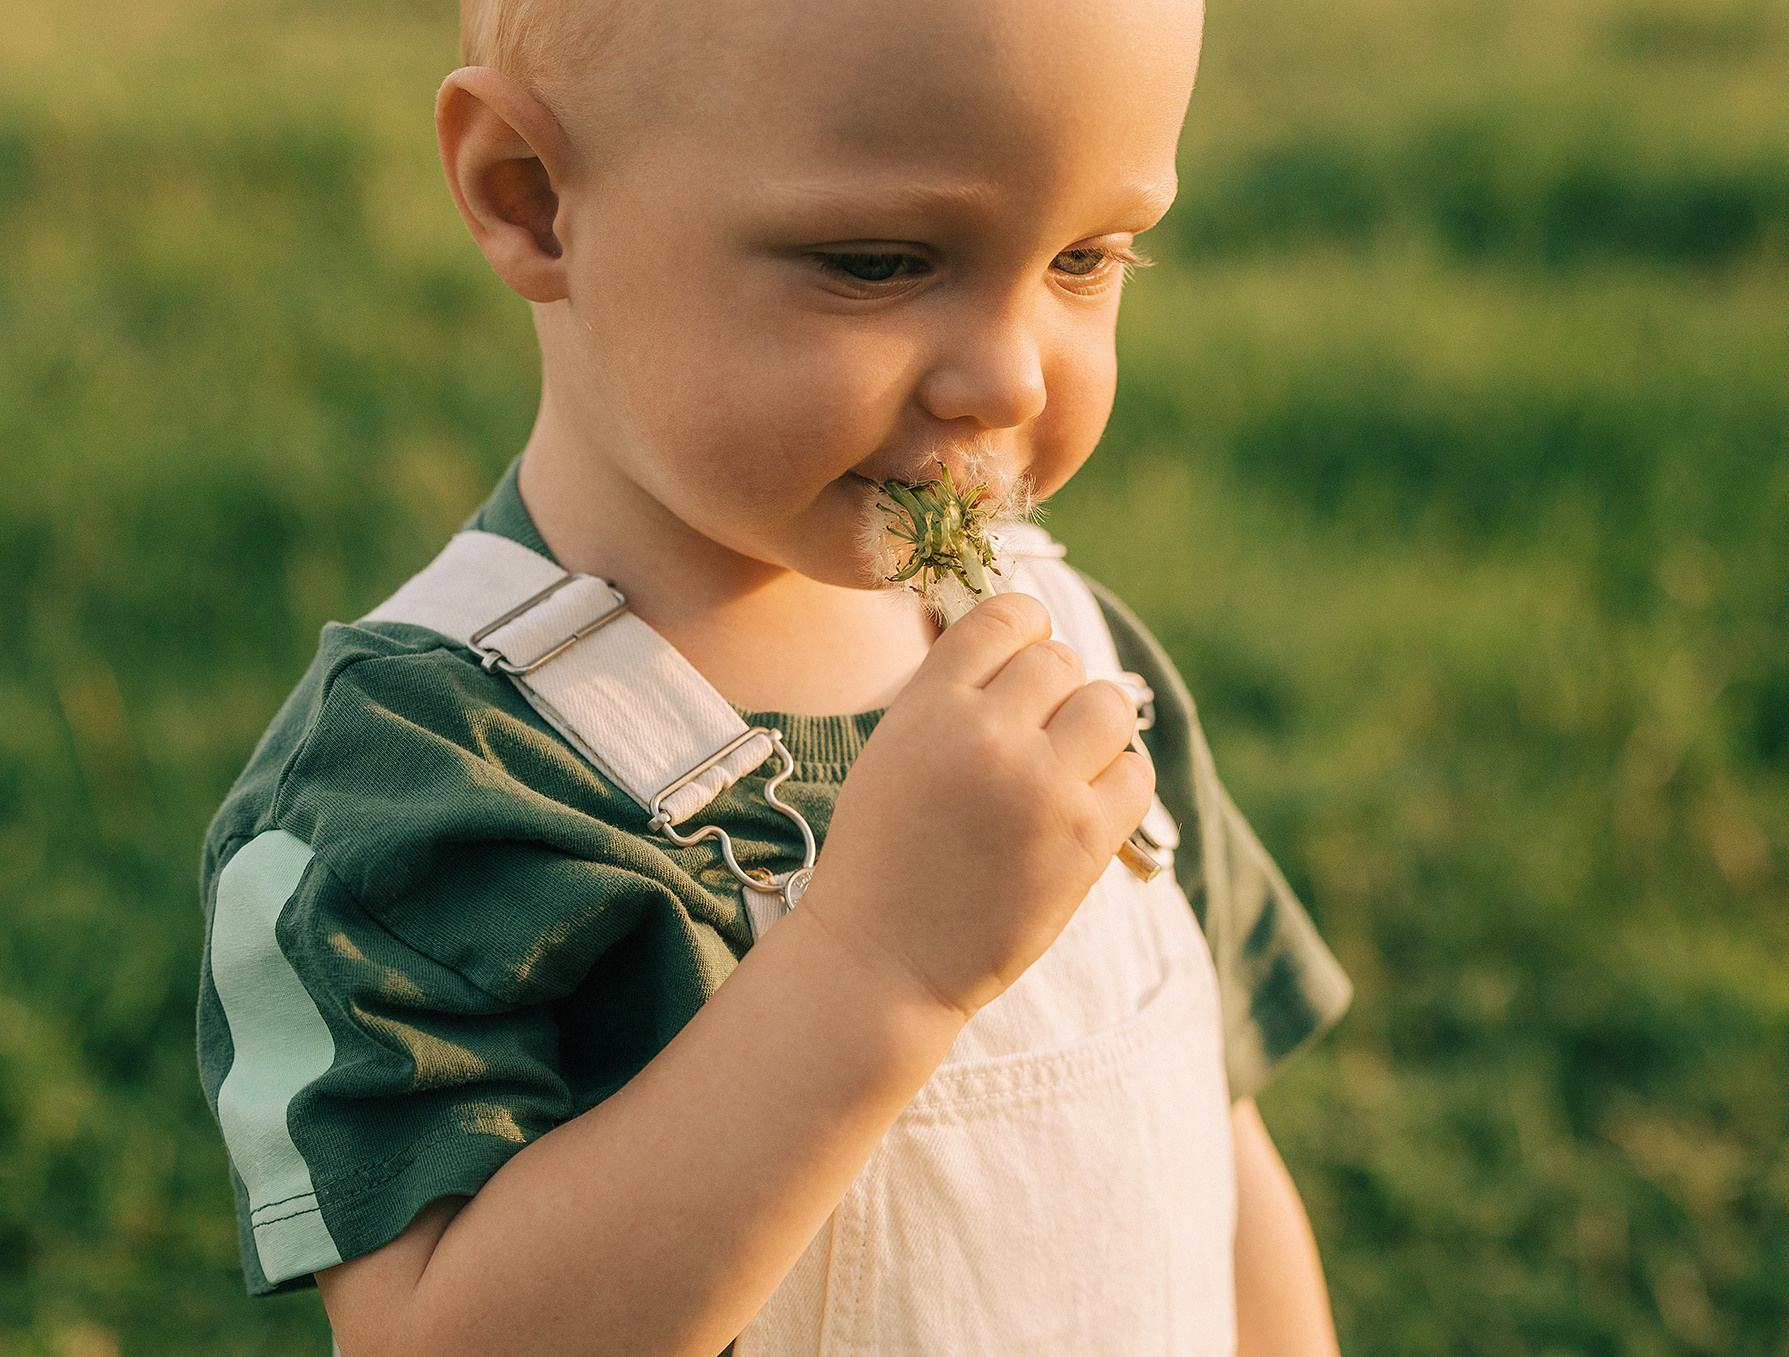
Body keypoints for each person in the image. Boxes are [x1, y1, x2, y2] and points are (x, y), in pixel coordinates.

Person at [196, 0, 1353, 1351]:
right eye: (879, 261)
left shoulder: (1078, 660)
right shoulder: (425, 773)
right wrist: (879, 966)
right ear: (534, 198)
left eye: (1087, 256)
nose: (1009, 375)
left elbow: (1213, 1161)